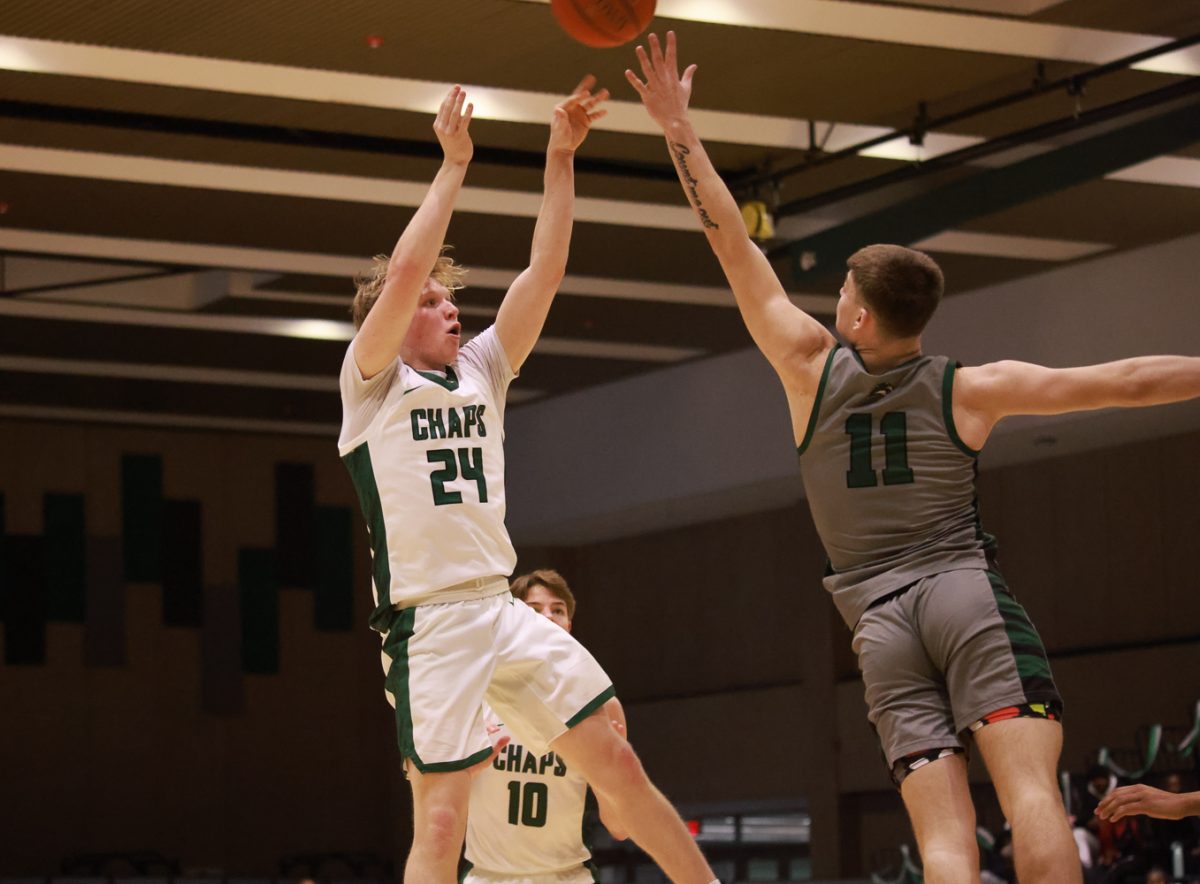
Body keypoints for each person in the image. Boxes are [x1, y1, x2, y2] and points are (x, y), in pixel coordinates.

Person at [625, 30, 1200, 884]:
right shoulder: (969, 387)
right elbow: (1124, 381)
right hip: (963, 594)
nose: (835, 302)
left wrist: (677, 127)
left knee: (943, 843)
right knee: (1033, 796)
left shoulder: (807, 370)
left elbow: (731, 246)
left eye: (844, 294)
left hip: (878, 623)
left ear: (858, 317)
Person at [337, 79, 717, 884]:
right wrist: (454, 166)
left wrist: (559, 158)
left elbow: (544, 271)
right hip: (429, 623)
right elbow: (405, 268)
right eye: (434, 302)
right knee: (440, 822)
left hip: (496, 604)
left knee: (616, 763)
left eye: (452, 299)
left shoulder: (481, 371)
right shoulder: (371, 385)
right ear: (393, 321)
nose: (451, 310)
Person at [462, 569, 628, 884]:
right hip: (489, 875)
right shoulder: (478, 695)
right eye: (534, 610)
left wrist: (613, 773)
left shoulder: (602, 707)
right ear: (513, 621)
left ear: (568, 626)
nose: (548, 617)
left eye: (557, 610)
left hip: (566, 876)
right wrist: (467, 766)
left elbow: (619, 827)